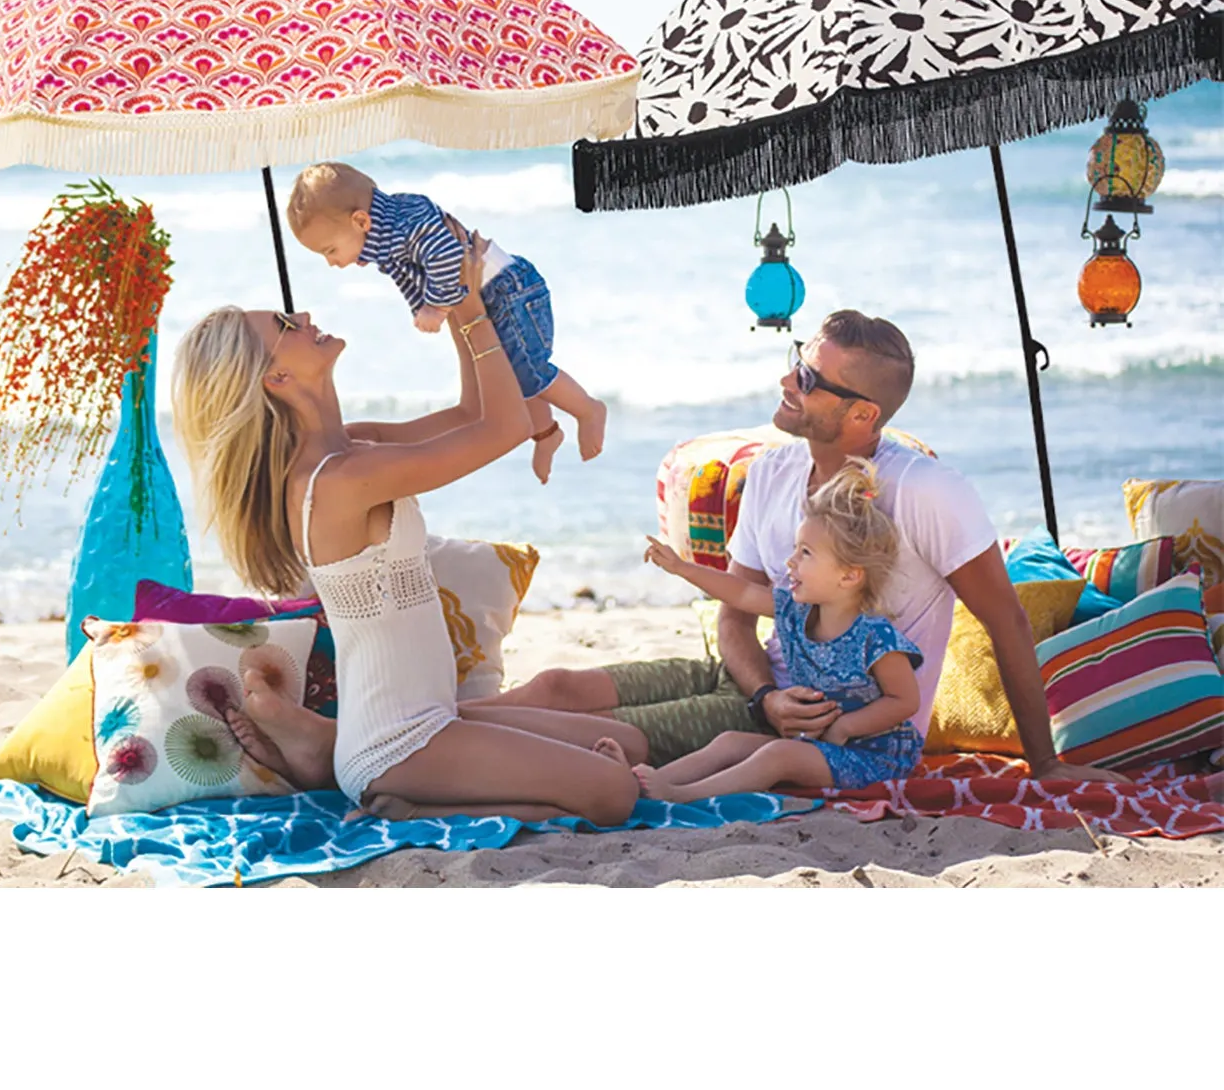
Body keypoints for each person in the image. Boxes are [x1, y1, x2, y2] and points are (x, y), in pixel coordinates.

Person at [470, 310, 1129, 785]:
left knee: (593, 738)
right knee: (556, 684)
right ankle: (423, 724)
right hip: (758, 688)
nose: (790, 382)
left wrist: (1045, 764)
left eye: (810, 379)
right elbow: (736, 615)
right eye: (798, 362)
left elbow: (1005, 620)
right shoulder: (773, 472)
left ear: (863, 414)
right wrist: (763, 695)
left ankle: (429, 743)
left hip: (823, 723)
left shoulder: (927, 492)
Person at [169, 237, 639, 825]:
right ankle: (408, 803)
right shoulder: (339, 479)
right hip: (398, 746)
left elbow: (473, 415)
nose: (306, 317)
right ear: (278, 376)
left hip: (434, 717)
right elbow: (507, 426)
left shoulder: (354, 447)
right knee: (613, 792)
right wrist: (466, 306)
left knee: (634, 749)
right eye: (287, 324)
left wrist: (455, 304)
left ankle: (390, 781)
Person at [611, 458, 923, 800]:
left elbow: (905, 700)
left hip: (873, 758)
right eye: (795, 550)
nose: (790, 562)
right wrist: (683, 569)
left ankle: (681, 794)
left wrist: (847, 727)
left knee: (778, 756)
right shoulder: (794, 611)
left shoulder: (875, 636)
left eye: (805, 553)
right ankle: (640, 784)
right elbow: (741, 592)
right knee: (730, 743)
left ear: (848, 575)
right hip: (820, 747)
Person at [285, 160, 605, 484]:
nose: (331, 263)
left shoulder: (407, 224)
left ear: (361, 220)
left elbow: (448, 259)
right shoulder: (385, 239)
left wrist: (437, 308)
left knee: (527, 369)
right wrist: (422, 307)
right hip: (487, 293)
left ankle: (588, 410)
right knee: (513, 373)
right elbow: (407, 277)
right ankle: (545, 433)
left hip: (508, 289)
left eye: (330, 250)